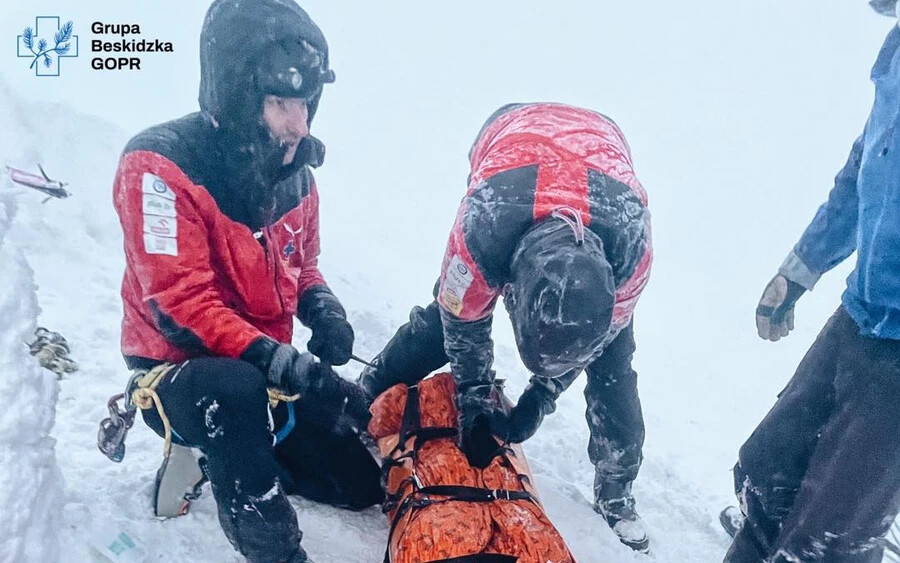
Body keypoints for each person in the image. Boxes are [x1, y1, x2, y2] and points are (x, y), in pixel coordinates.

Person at [111, 1, 379, 561]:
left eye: (305, 104)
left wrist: (324, 309)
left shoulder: (297, 176)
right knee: (233, 392)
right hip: (184, 372)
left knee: (356, 486)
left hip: (263, 368)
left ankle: (239, 448)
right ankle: (269, 542)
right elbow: (181, 305)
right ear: (236, 91)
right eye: (282, 103)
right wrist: (284, 364)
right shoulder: (158, 166)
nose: (298, 124)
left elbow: (303, 265)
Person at [358, 102, 653, 552]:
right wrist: (473, 399)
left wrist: (541, 397)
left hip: (602, 156)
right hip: (510, 141)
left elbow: (602, 339)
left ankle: (617, 487)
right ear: (514, 290)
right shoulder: (482, 230)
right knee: (447, 313)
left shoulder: (632, 252)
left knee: (614, 369)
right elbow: (464, 323)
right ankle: (369, 391)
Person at [725, 4, 900, 561]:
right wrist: (799, 271)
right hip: (862, 314)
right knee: (766, 472)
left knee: (830, 538)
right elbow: (863, 173)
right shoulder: (896, 53)